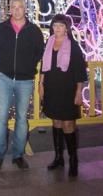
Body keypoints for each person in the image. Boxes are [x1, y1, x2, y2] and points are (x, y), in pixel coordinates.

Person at [0, 0, 44, 171]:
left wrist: (27, 67)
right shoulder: (2, 29)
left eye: (20, 7)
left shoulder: (34, 31)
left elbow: (39, 52)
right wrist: (6, 63)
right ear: (10, 8)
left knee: (22, 119)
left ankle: (18, 155)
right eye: (13, 7)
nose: (16, 10)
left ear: (25, 8)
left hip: (25, 80)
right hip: (5, 78)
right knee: (0, 118)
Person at [39, 13, 87, 177]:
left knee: (69, 124)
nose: (57, 29)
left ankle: (73, 160)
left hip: (68, 89)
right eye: (55, 26)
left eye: (60, 26)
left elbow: (80, 71)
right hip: (52, 88)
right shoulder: (49, 43)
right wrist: (41, 84)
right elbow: (44, 66)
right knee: (56, 122)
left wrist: (79, 91)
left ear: (66, 28)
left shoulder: (73, 46)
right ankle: (58, 157)